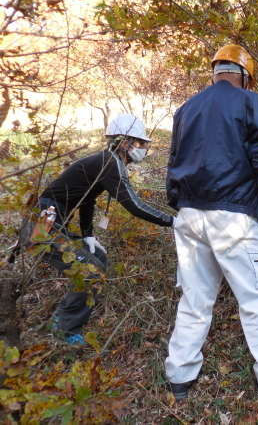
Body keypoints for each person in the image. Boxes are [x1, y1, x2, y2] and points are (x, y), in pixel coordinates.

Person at [165, 44, 258, 406]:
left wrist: (180, 204)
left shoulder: (185, 108)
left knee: (195, 298)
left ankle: (178, 377)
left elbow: (173, 160)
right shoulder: (250, 102)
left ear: (215, 71)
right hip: (232, 217)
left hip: (187, 214)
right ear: (245, 76)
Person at [15, 114, 175, 345]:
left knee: (97, 258)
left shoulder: (105, 162)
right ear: (124, 142)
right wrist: (172, 222)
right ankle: (64, 331)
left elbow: (86, 201)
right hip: (41, 223)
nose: (144, 148)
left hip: (50, 221)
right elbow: (134, 205)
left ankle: (62, 318)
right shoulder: (109, 163)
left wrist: (88, 234)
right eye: (140, 143)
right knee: (89, 272)